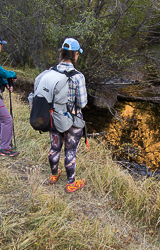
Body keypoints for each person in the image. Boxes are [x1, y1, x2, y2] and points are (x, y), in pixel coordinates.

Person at [48, 38, 87, 193]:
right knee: (70, 151)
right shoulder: (78, 76)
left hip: (53, 117)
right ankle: (71, 183)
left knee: (54, 146)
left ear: (62, 53)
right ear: (75, 55)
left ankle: (53, 175)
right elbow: (83, 103)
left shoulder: (51, 71)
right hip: (72, 120)